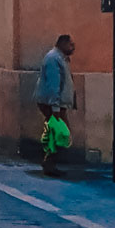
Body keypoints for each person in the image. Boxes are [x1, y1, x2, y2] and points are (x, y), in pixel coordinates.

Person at [33, 34, 77, 177]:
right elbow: (54, 85)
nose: (73, 47)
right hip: (51, 104)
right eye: (70, 44)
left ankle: (49, 163)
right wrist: (56, 108)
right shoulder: (54, 59)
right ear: (62, 44)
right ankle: (49, 164)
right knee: (59, 133)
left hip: (54, 103)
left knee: (55, 133)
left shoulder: (60, 59)